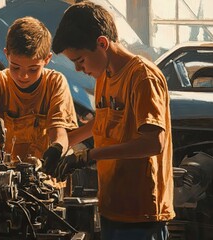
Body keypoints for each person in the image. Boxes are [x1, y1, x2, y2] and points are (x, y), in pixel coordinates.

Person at [51, 1, 175, 240]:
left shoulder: (142, 77)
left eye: (80, 60)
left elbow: (153, 143)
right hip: (112, 208)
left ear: (102, 43)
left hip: (141, 216)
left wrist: (88, 156)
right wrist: (62, 146)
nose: (78, 69)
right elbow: (103, 122)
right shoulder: (104, 76)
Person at [0, 16, 78, 171]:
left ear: (47, 59)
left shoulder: (55, 83)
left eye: (33, 69)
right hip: (1, 179)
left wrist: (57, 148)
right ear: (6, 54)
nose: (23, 76)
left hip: (45, 179)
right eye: (15, 67)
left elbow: (58, 130)